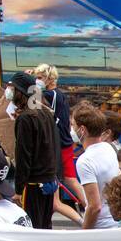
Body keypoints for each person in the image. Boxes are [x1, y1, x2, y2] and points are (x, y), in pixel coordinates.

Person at [32, 64, 86, 227]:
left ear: (50, 78)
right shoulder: (59, 94)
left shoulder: (50, 95)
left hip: (56, 148)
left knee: (61, 191)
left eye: (40, 77)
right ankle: (88, 212)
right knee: (69, 182)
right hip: (63, 144)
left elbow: (31, 106)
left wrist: (29, 84)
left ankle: (86, 219)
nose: (37, 80)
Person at [5, 71, 60, 230]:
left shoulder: (25, 118)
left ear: (20, 92)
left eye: (12, 88)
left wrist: (18, 189)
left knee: (32, 229)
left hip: (33, 185)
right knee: (44, 226)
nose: (9, 92)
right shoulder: (44, 113)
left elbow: (24, 156)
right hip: (48, 180)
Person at [71, 102, 120, 229]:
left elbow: (94, 207)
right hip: (116, 222)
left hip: (100, 227)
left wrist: (84, 232)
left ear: (82, 130)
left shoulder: (85, 161)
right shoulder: (108, 147)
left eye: (72, 125)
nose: (71, 130)